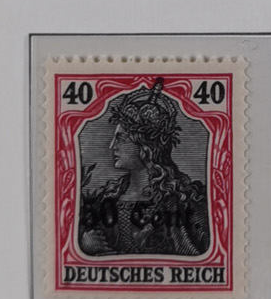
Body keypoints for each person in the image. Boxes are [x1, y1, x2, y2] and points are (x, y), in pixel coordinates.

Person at [77, 80, 211, 258]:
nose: (112, 146)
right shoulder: (108, 197)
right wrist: (86, 242)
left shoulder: (186, 200)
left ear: (145, 146)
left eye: (121, 138)